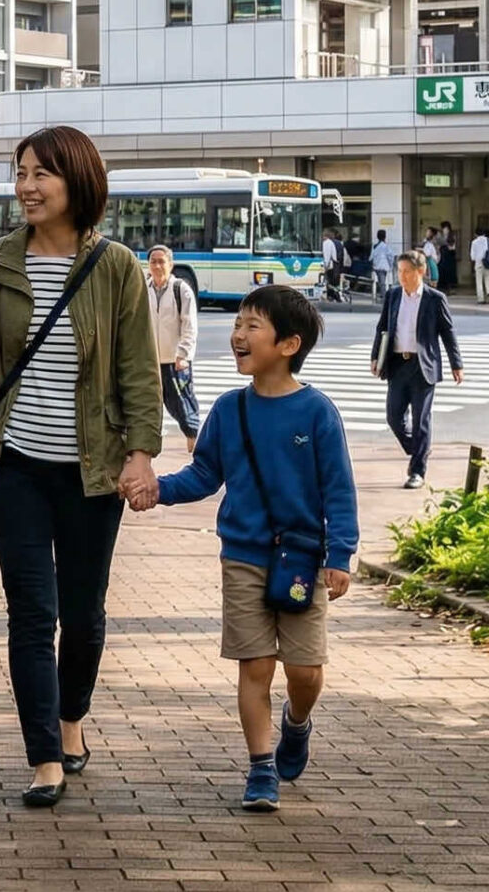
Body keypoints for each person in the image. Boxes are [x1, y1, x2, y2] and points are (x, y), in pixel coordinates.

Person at [0, 124, 160, 809]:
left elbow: (137, 371)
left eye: (41, 174)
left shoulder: (116, 267)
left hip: (93, 470)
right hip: (14, 466)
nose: (26, 186)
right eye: (21, 173)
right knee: (32, 612)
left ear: (76, 181)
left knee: (83, 614)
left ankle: (71, 718)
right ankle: (45, 757)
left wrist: (141, 454)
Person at [131, 283, 356, 810]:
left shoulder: (317, 412)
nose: (238, 334)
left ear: (288, 344)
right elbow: (205, 474)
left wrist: (340, 555)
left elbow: (338, 489)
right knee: (255, 665)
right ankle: (260, 768)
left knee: (305, 671)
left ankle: (296, 723)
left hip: (302, 558)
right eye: (238, 323)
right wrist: (158, 489)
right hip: (244, 557)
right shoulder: (229, 410)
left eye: (253, 326)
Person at [371, 252, 465, 489]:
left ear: (420, 272)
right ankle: (419, 449)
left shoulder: (435, 299)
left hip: (423, 366)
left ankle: (417, 471)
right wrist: (375, 357)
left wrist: (456, 364)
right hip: (397, 364)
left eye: (407, 271)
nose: (401, 276)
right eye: (399, 271)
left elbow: (448, 332)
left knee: (421, 418)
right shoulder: (393, 295)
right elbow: (382, 328)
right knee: (394, 417)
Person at [145, 246, 201, 452]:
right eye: (153, 262)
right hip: (149, 360)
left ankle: (193, 437)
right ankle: (149, 444)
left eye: (161, 261)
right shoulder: (143, 288)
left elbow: (189, 324)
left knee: (181, 402)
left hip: (175, 359)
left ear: (170, 264)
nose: (157, 266)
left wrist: (183, 354)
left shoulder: (181, 289)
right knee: (148, 404)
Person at [469, 228, 489, 304]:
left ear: (476, 234)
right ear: (484, 233)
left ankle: (481, 299)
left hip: (479, 263)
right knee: (488, 278)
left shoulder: (474, 242)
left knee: (479, 281)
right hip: (487, 262)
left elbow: (472, 256)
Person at [317, 228, 343, 302]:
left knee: (328, 281)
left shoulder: (327, 243)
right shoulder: (332, 243)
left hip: (328, 266)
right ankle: (334, 296)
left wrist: (325, 266)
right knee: (333, 282)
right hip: (334, 265)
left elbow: (327, 256)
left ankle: (332, 296)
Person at [368, 230, 395, 296]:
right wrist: (391, 265)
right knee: (383, 281)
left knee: (381, 281)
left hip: (377, 266)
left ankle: (383, 294)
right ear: (385, 236)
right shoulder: (385, 246)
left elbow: (371, 257)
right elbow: (391, 256)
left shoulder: (375, 246)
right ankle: (384, 295)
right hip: (384, 266)